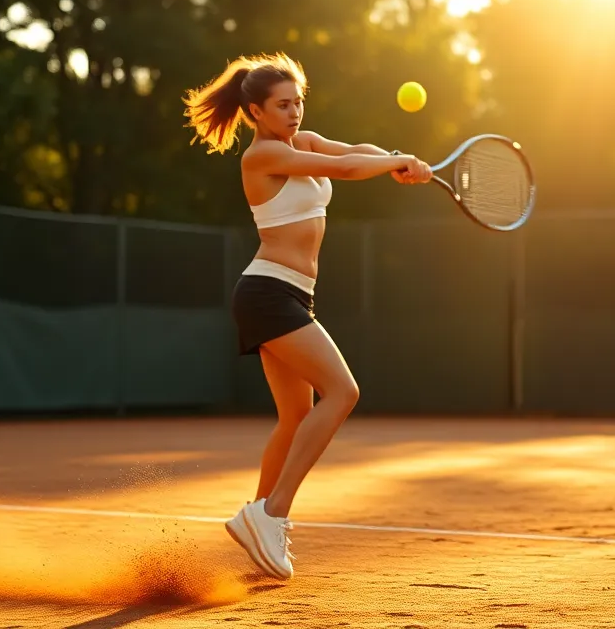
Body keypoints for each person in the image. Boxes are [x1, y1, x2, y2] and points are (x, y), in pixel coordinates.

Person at [182, 53, 432, 580]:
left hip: (291, 294)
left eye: (298, 101)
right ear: (255, 111)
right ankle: (271, 513)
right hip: (268, 292)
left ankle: (256, 521)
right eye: (282, 105)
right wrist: (393, 163)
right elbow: (343, 170)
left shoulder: (305, 140)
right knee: (343, 393)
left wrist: (395, 158)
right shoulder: (263, 158)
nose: (294, 112)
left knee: (297, 416)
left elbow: (353, 152)